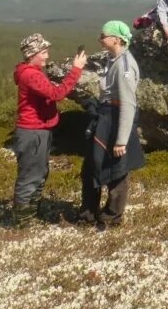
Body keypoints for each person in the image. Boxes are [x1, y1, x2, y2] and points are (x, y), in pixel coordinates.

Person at [12, 33, 86, 228]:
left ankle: (31, 213)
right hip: (33, 132)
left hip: (37, 131)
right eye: (43, 52)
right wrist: (76, 70)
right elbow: (57, 94)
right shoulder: (31, 75)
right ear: (33, 54)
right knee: (30, 176)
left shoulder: (31, 72)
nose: (47, 56)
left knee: (39, 172)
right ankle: (22, 221)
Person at [78, 20, 145, 227]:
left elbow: (128, 104)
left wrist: (121, 140)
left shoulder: (124, 66)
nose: (100, 39)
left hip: (115, 120)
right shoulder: (113, 60)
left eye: (103, 35)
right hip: (106, 117)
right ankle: (89, 214)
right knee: (91, 166)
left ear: (116, 39)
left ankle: (111, 217)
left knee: (116, 169)